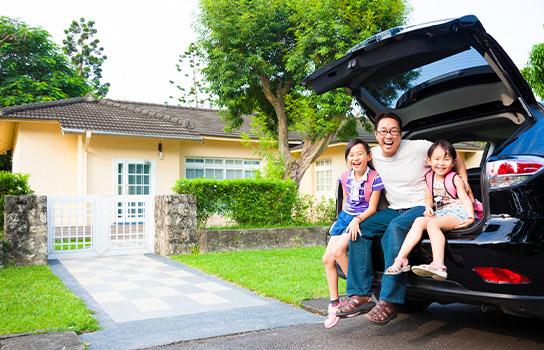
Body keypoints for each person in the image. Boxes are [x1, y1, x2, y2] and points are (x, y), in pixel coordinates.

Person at [336, 113, 472, 324]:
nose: (388, 136)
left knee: (395, 228)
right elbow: (356, 172)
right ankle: (360, 294)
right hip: (394, 207)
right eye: (383, 131)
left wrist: (463, 181)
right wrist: (353, 215)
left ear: (400, 134)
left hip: (422, 206)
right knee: (360, 229)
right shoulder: (371, 155)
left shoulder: (419, 147)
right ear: (376, 134)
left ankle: (389, 301)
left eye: (393, 131)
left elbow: (455, 156)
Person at [384, 140, 475, 281]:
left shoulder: (455, 179)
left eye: (446, 159)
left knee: (433, 224)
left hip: (457, 213)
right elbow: (428, 198)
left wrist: (470, 218)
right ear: (429, 160)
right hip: (440, 213)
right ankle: (401, 260)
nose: (441, 163)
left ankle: (438, 265)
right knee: (419, 221)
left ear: (452, 162)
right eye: (437, 159)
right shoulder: (429, 178)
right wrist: (428, 207)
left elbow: (465, 199)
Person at [322, 139, 384, 328]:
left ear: (368, 156)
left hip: (361, 218)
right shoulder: (344, 177)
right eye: (351, 155)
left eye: (359, 154)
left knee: (339, 251)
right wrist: (341, 219)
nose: (355, 158)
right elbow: (346, 201)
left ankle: (360, 293)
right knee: (327, 259)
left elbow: (372, 208)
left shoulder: (375, 178)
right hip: (345, 218)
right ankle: (335, 302)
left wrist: (357, 220)